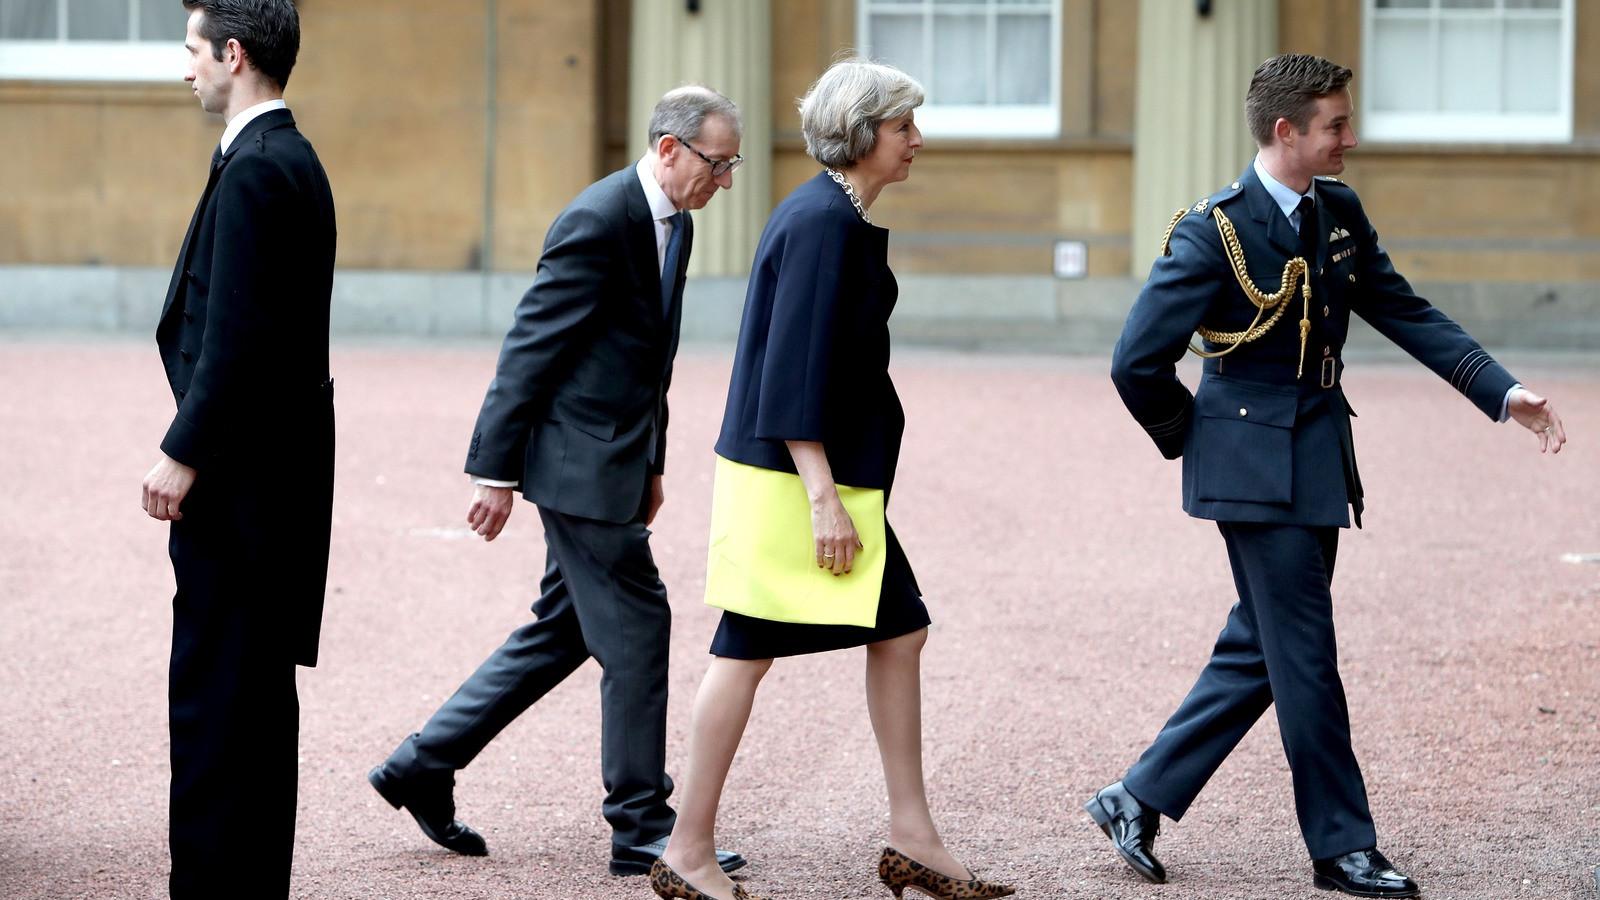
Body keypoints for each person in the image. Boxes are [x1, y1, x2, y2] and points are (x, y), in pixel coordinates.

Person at [1091, 53, 1568, 899]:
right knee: (1306, 655)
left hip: (1315, 457)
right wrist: (1192, 442)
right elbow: (1136, 362)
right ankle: (1341, 848)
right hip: (1248, 464)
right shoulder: (1215, 231)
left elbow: (1403, 307)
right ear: (1287, 132)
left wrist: (1502, 392)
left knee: (1265, 649)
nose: (1351, 137)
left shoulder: (1336, 208)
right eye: (1336, 126)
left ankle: (1136, 794)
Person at [650, 59, 1014, 900]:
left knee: (898, 630)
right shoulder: (824, 223)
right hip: (798, 482)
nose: (916, 141)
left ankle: (911, 835)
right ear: (860, 136)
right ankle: (688, 848)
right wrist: (822, 499)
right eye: (902, 127)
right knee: (744, 653)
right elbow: (790, 375)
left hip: (810, 478)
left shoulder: (831, 213)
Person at [368, 86, 747, 878]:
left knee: (564, 630)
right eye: (719, 163)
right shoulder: (597, 219)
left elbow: (650, 362)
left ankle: (421, 766)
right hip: (574, 466)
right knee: (640, 628)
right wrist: (492, 471)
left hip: (614, 461)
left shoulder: (674, 223)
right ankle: (642, 825)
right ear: (670, 149)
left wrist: (653, 463)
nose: (728, 181)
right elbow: (530, 347)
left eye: (733, 164)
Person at [140, 1, 336, 897]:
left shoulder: (263, 168)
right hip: (269, 490)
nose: (185, 69)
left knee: (221, 707)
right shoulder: (281, 158)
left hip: (243, 492)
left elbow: (241, 339)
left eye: (192, 49)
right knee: (247, 708)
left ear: (233, 53)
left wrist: (183, 451)